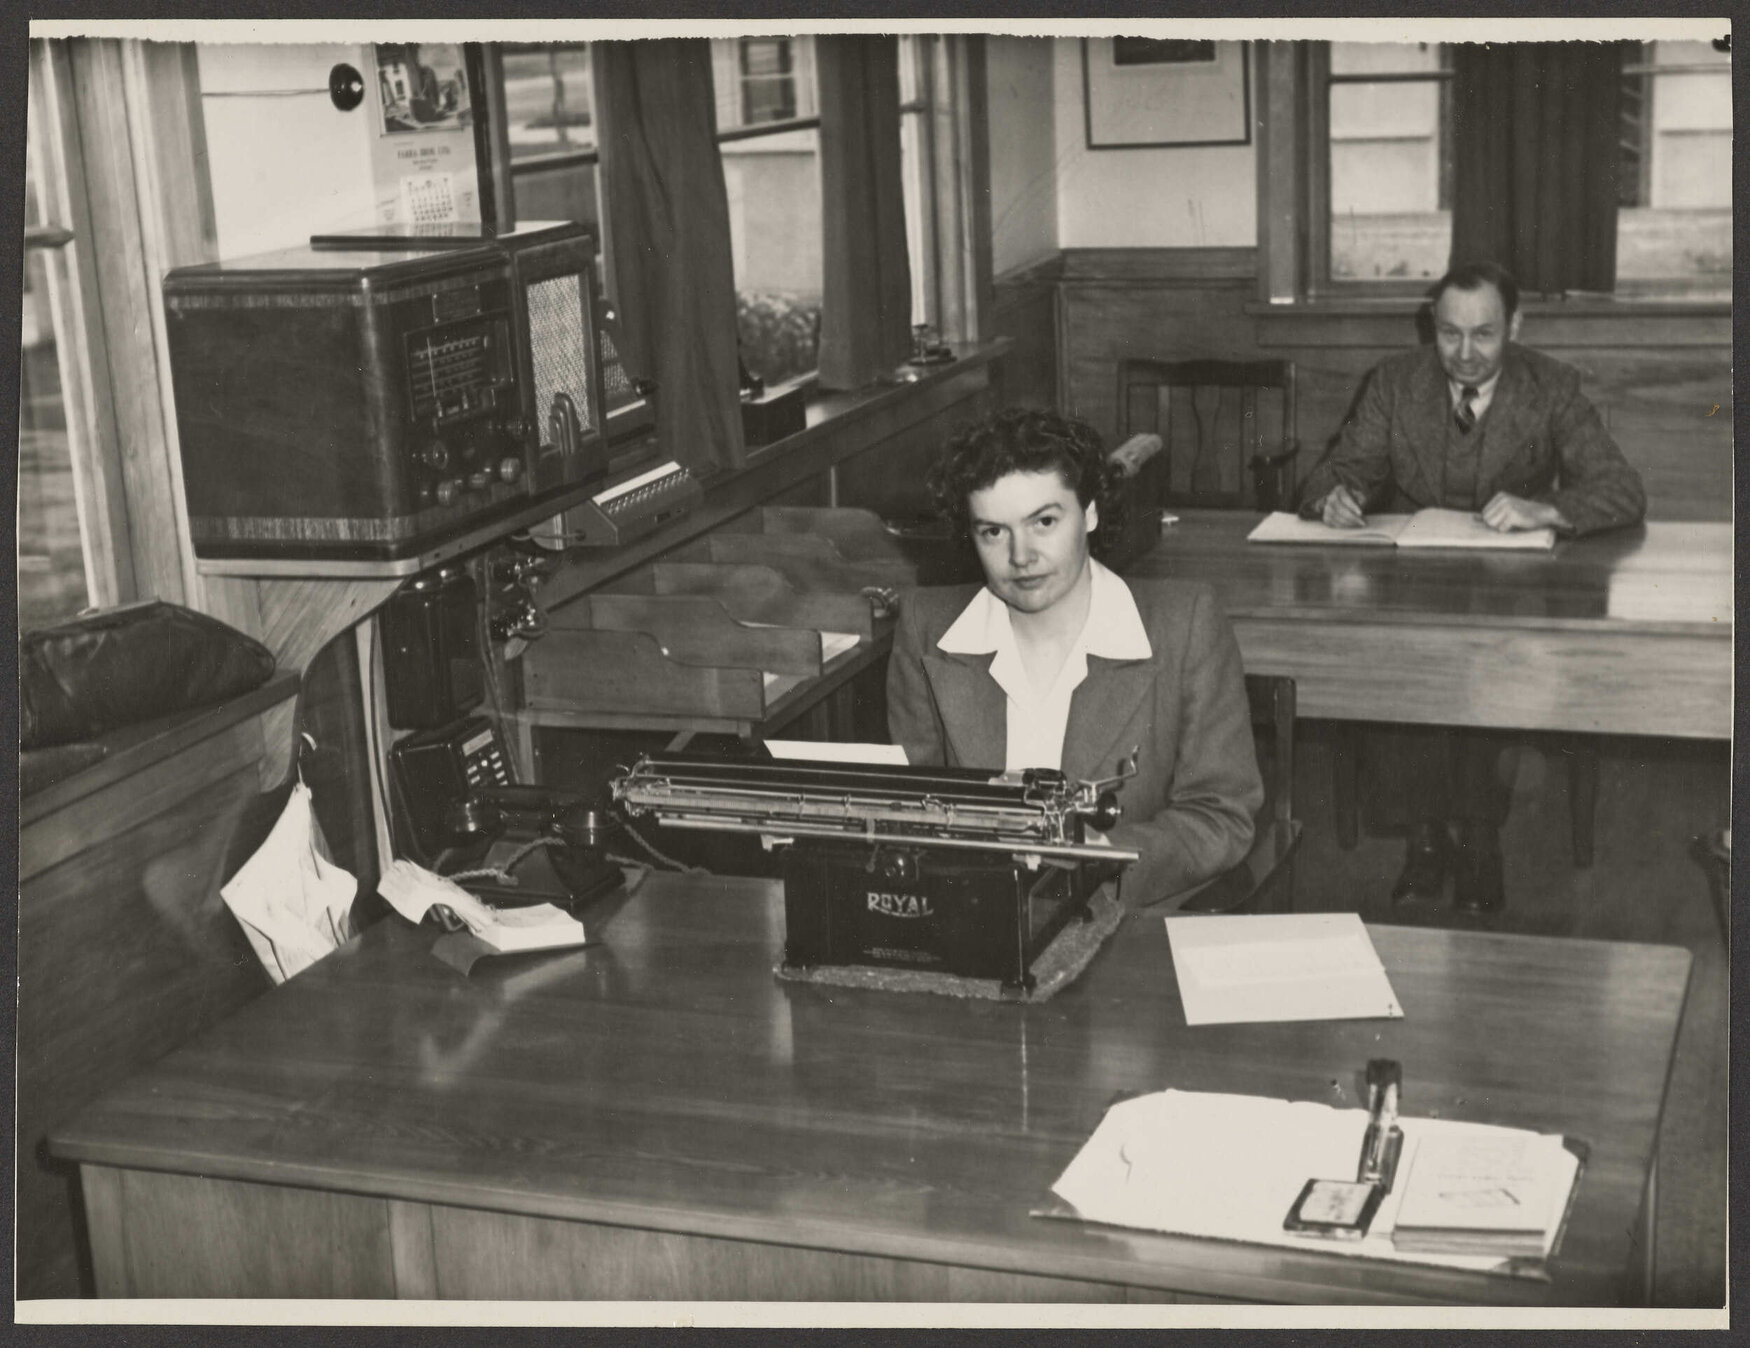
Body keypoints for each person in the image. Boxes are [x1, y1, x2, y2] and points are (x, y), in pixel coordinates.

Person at [1298, 260, 1646, 913]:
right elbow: (1331, 474)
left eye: (1483, 336)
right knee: (1395, 658)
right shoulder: (1394, 385)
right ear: (1432, 324)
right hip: (1410, 584)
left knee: (1491, 665)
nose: (1463, 354)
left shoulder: (1554, 389)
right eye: (1449, 334)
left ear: (1515, 325)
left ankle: (1482, 840)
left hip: (1514, 593)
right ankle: (1427, 840)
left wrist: (1552, 509)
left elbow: (1623, 489)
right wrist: (1334, 499)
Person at [887, 407, 1262, 911]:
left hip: (1127, 919)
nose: (1021, 556)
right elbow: (914, 803)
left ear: (1089, 513)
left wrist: (1102, 858)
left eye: (1043, 522)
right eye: (993, 532)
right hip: (975, 914)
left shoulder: (1185, 624)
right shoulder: (926, 628)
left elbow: (1222, 816)